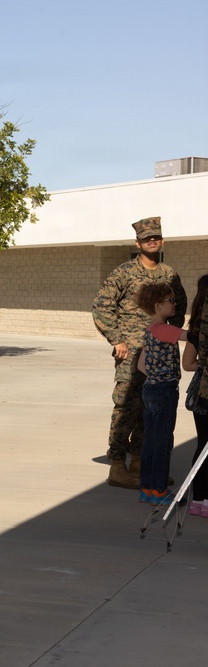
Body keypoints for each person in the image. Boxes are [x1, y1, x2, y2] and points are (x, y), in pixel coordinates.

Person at [92, 216, 186, 489]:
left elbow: (179, 306)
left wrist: (169, 336)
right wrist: (116, 339)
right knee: (126, 408)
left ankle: (141, 463)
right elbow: (101, 306)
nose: (152, 242)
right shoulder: (123, 272)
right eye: (147, 239)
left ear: (162, 240)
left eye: (155, 237)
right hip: (130, 354)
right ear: (138, 243)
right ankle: (118, 466)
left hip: (158, 355)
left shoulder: (169, 274)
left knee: (151, 410)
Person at [135, 283, 184, 505]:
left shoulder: (149, 330)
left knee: (151, 441)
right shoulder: (165, 329)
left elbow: (141, 366)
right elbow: (190, 336)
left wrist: (155, 375)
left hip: (150, 388)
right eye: (170, 301)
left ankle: (146, 488)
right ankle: (160, 491)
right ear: (157, 305)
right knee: (163, 442)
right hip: (165, 391)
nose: (174, 304)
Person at [181, 275, 208, 516]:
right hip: (205, 393)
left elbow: (188, 364)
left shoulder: (196, 329)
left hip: (199, 394)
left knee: (202, 444)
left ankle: (197, 499)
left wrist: (203, 363)